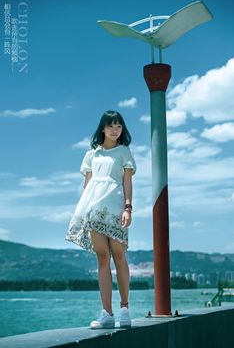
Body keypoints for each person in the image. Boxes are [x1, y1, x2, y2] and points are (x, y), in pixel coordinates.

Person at [65, 110, 136, 329]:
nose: (115, 130)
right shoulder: (91, 155)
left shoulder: (124, 152)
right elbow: (88, 187)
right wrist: (84, 212)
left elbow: (127, 183)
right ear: (103, 128)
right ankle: (107, 313)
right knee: (102, 259)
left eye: (119, 126)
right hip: (94, 210)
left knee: (119, 256)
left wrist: (128, 208)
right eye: (111, 126)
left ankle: (125, 309)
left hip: (115, 209)